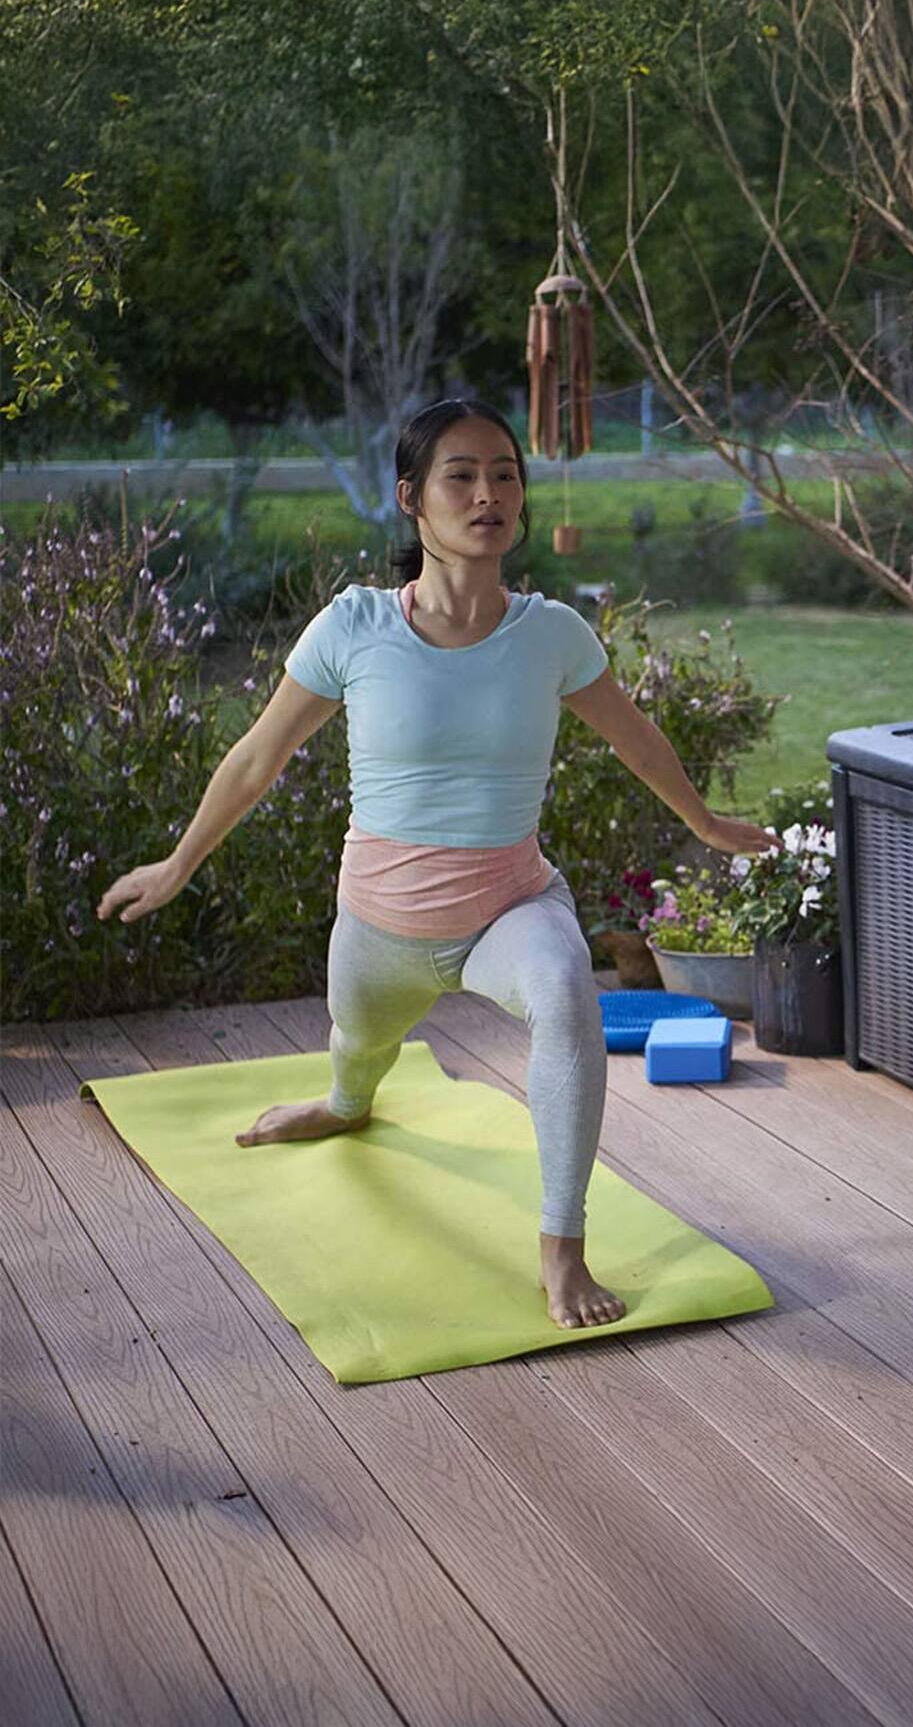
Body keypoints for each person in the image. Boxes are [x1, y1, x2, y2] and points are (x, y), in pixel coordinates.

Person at [97, 397, 775, 1330]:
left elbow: (636, 740)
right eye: (461, 476)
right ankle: (345, 1103)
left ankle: (562, 1245)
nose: (488, 494)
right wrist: (177, 865)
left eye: (504, 475)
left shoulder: (551, 635)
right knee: (357, 1054)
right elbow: (257, 758)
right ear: (411, 497)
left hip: (509, 906)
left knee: (566, 990)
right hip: (380, 927)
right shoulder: (354, 628)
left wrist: (704, 822)